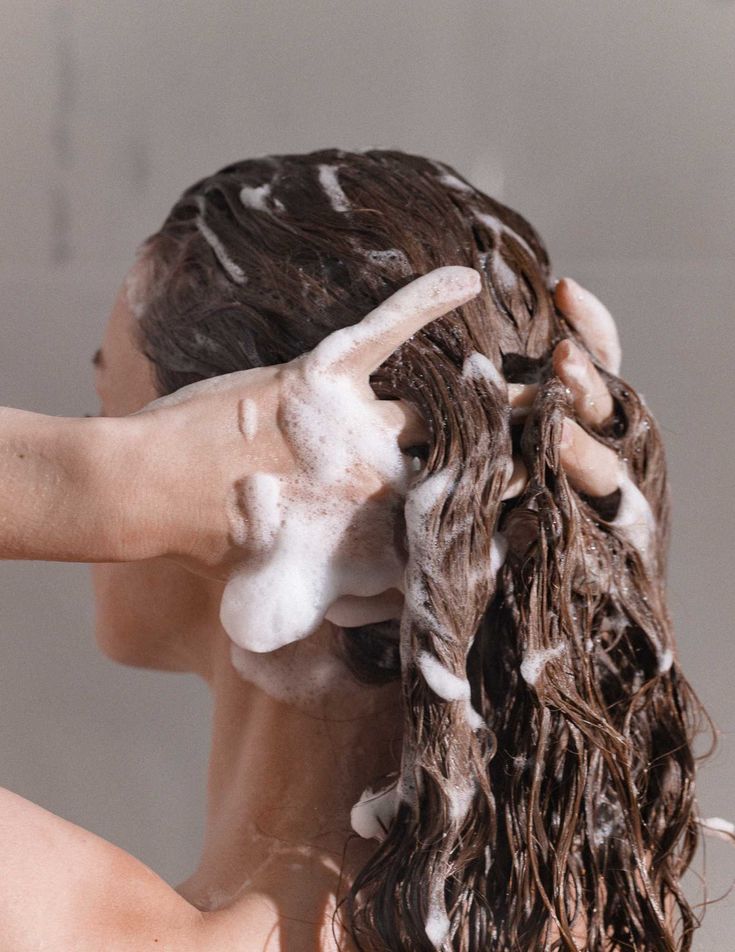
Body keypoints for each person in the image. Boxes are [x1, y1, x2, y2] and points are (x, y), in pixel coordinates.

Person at [0, 148, 699, 951]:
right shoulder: (602, 925)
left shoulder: (55, 924)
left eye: (108, 415)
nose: (94, 440)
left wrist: (89, 485)